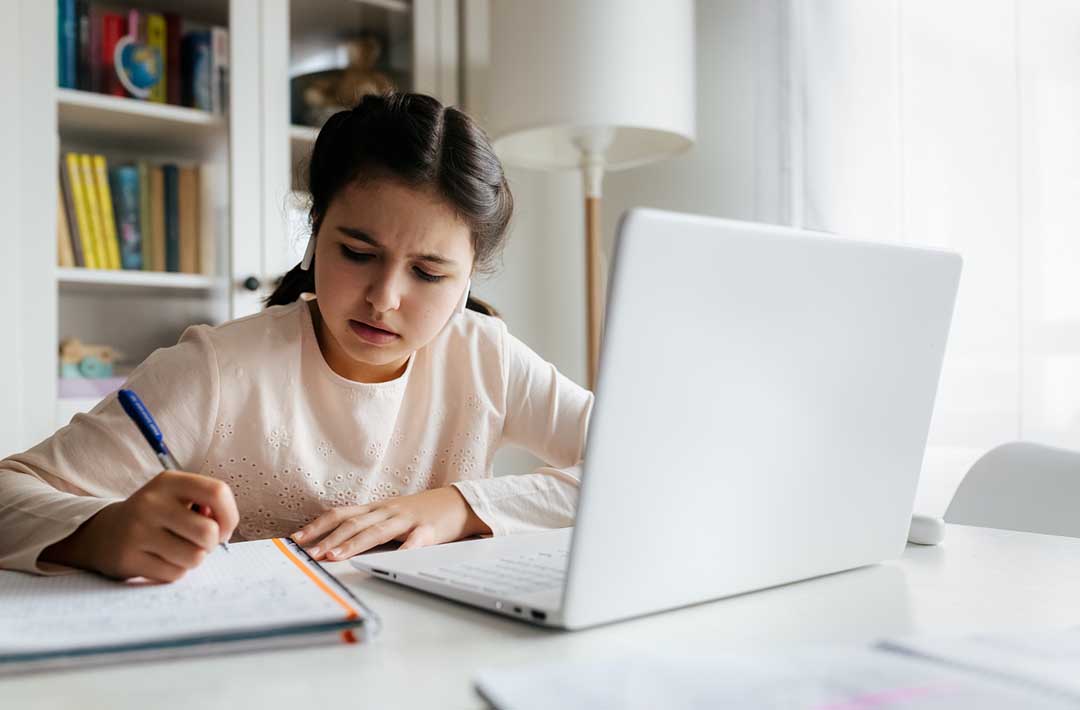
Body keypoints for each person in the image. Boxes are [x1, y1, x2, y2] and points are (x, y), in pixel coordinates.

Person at [0, 93, 592, 583]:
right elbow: (9, 494)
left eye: (429, 274)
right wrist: (102, 532)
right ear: (313, 238)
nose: (384, 299)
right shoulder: (219, 368)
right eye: (357, 254)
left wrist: (461, 507)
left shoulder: (486, 357)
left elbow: (647, 468)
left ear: (468, 278)